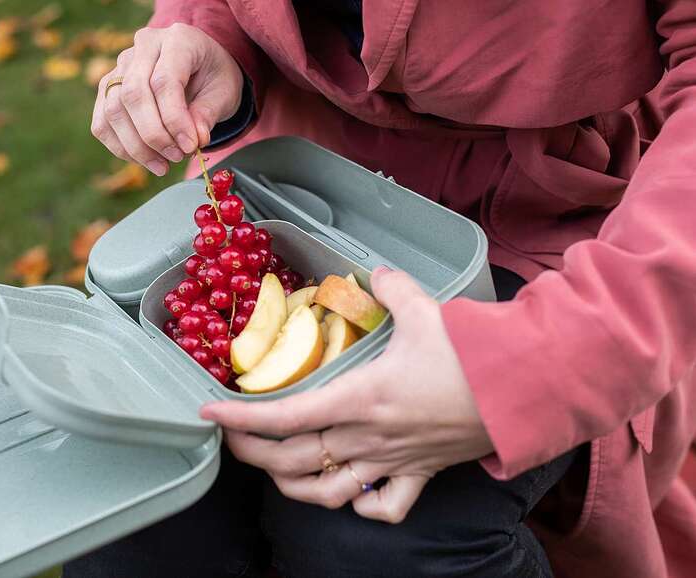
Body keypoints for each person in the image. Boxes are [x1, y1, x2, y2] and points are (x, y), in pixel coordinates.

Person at [69, 1, 696, 577]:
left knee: (377, 545)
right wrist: (209, 35)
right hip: (296, 193)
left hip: (554, 226)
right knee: (133, 513)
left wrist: (530, 369)